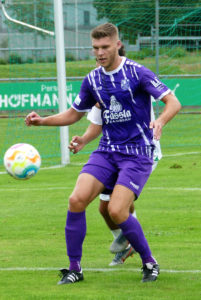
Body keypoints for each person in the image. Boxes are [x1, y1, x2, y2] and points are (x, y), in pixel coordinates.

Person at [25, 23, 181, 284]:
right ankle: (75, 269)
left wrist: (161, 121)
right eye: (96, 48)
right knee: (77, 200)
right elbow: (74, 114)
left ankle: (149, 263)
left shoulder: (137, 72)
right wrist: (42, 121)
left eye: (105, 47)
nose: (100, 52)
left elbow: (172, 102)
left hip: (137, 153)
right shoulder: (93, 79)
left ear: (117, 44)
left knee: (117, 210)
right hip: (107, 151)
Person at [69, 100, 162, 266]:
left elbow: (168, 100)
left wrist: (161, 120)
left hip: (141, 151)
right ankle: (127, 242)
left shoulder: (135, 78)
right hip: (113, 152)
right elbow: (95, 122)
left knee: (118, 206)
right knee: (104, 209)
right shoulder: (100, 86)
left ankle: (142, 252)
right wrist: (83, 139)